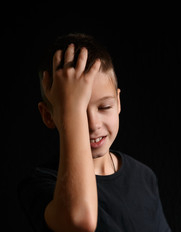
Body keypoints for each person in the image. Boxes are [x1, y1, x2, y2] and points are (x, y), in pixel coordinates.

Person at [18, 32, 172, 232]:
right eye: (79, 111)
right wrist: (70, 109)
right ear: (49, 115)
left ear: (118, 102)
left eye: (104, 107)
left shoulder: (144, 177)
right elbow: (80, 220)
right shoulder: (42, 184)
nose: (93, 124)